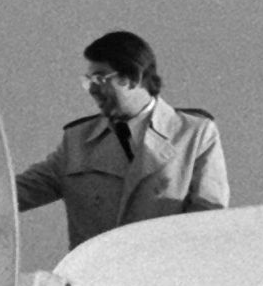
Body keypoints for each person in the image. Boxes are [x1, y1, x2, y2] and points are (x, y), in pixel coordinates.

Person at [16, 31, 228, 248]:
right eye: (87, 81)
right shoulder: (77, 141)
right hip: (98, 278)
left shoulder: (195, 135)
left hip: (165, 277)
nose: (92, 89)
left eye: (99, 78)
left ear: (132, 77)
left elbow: (207, 219)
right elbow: (16, 193)